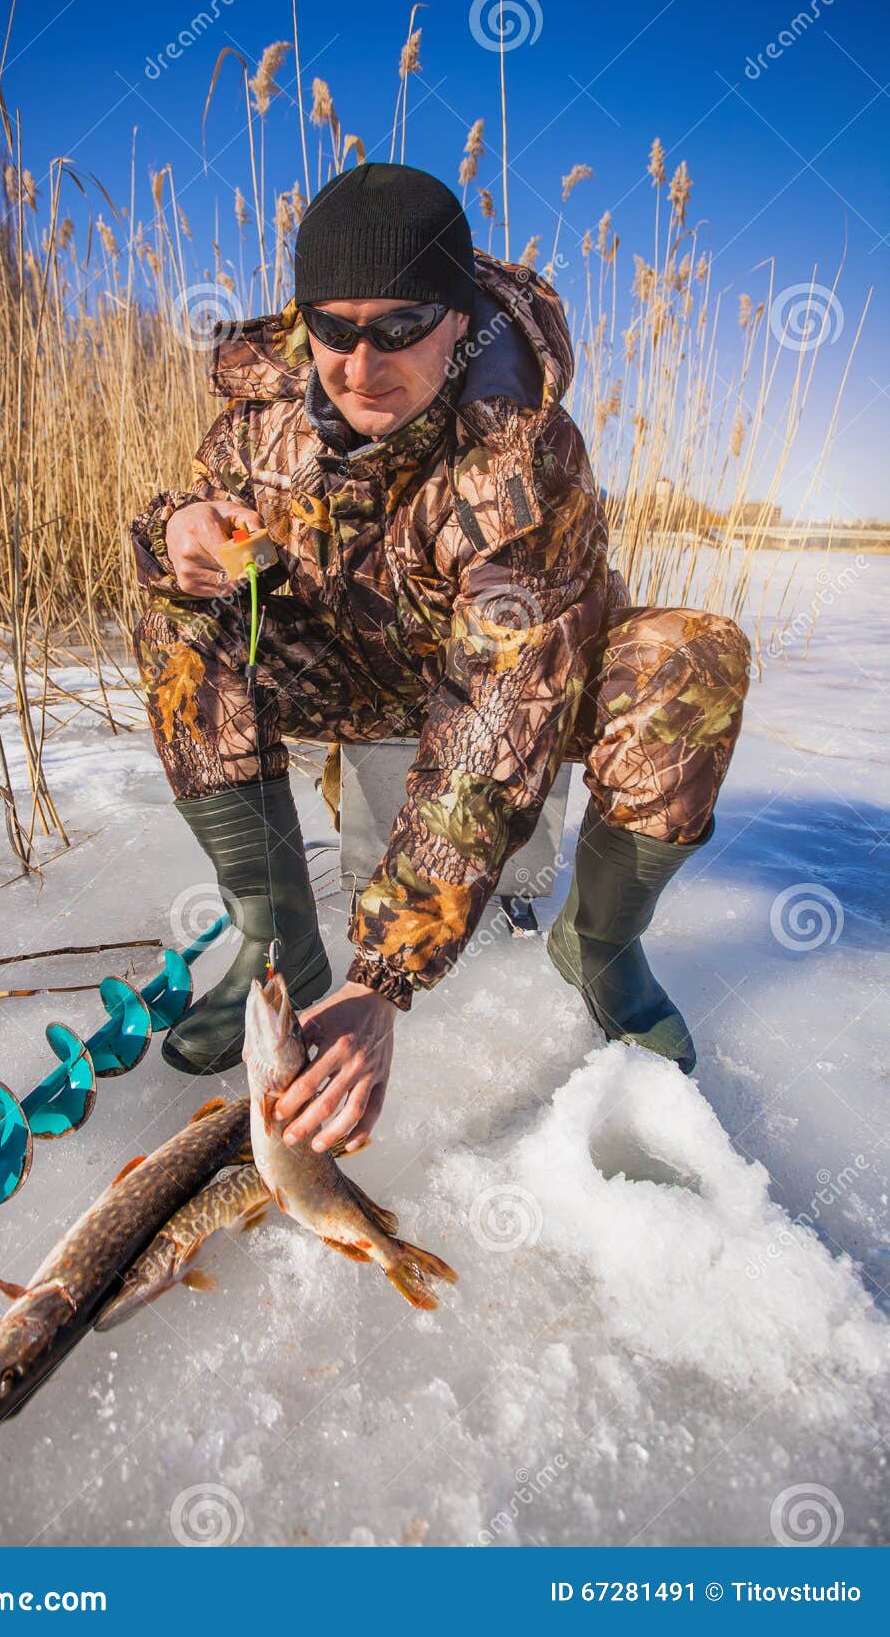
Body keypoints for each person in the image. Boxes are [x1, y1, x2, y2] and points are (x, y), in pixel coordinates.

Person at [130, 162, 750, 1155]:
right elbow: (189, 522)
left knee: (691, 660)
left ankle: (599, 946)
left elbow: (495, 717)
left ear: (459, 320)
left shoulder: (520, 456)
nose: (360, 362)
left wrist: (381, 980)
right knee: (179, 615)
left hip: (523, 689)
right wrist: (178, 531)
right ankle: (271, 940)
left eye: (400, 324)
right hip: (359, 667)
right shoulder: (265, 416)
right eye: (331, 327)